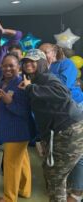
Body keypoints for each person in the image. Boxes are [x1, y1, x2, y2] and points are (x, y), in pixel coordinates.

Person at [18, 49, 83, 202]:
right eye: (26, 61)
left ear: (41, 63)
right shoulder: (35, 81)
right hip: (61, 131)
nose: (28, 64)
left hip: (69, 130)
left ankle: (73, 194)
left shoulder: (47, 77)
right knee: (52, 173)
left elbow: (63, 93)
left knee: (55, 176)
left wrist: (30, 88)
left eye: (33, 61)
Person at [39, 43, 83, 202]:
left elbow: (61, 87)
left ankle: (77, 192)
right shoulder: (46, 69)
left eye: (46, 52)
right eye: (41, 53)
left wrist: (45, 72)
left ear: (55, 51)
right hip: (58, 117)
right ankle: (69, 191)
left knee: (78, 156)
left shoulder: (66, 64)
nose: (44, 55)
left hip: (75, 111)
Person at [0, 54, 32, 202]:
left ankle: (9, 198)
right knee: (22, 161)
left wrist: (9, 102)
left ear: (19, 67)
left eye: (11, 65)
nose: (8, 68)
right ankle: (24, 190)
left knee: (11, 165)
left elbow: (25, 111)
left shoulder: (21, 84)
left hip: (17, 131)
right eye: (5, 65)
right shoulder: (3, 81)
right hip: (8, 128)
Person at [0, 19, 23, 155]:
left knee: (9, 112)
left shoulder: (5, 50)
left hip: (8, 86)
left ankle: (8, 141)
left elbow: (18, 35)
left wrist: (4, 31)